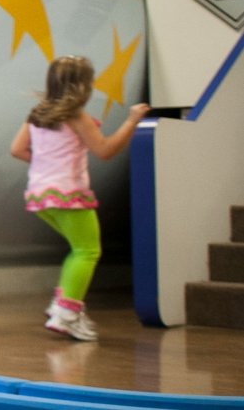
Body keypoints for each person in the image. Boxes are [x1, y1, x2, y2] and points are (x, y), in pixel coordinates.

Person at [10, 55, 149, 341]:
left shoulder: (37, 114)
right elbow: (106, 150)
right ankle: (67, 313)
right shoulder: (76, 116)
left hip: (40, 194)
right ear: (84, 85)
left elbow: (18, 150)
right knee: (88, 251)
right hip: (68, 194)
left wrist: (47, 168)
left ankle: (61, 305)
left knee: (78, 249)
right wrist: (133, 120)